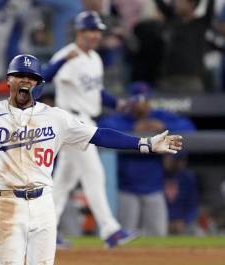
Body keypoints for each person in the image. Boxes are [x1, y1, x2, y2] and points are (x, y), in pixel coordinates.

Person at [0, 51, 182, 265]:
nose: (25, 81)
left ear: (38, 84)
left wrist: (145, 143)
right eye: (19, 75)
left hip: (44, 202)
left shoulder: (56, 117)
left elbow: (99, 135)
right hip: (7, 204)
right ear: (9, 80)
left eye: (31, 78)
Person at [50, 10, 136, 248]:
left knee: (64, 182)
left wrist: (117, 103)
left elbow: (95, 92)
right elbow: (46, 79)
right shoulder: (68, 56)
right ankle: (110, 230)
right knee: (94, 175)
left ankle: (45, 230)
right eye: (90, 30)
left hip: (86, 119)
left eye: (97, 31)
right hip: (71, 121)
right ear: (79, 32)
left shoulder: (95, 59)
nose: (95, 35)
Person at [99, 81, 195, 236]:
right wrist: (133, 129)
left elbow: (189, 127)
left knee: (158, 238)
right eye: (138, 101)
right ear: (131, 101)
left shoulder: (159, 116)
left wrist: (162, 126)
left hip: (154, 190)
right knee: (126, 238)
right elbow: (102, 128)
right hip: (127, 190)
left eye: (145, 100)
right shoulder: (121, 119)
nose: (142, 105)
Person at [163, 153, 199, 235]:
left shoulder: (188, 177)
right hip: (162, 221)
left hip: (182, 222)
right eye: (167, 158)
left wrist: (184, 221)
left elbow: (193, 205)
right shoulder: (158, 175)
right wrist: (167, 221)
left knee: (198, 233)